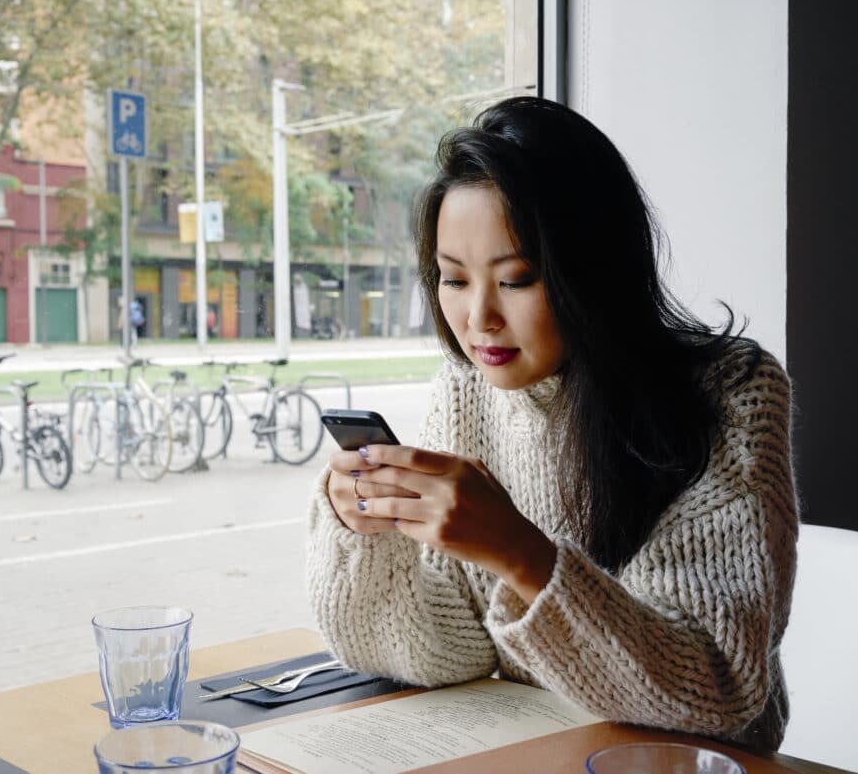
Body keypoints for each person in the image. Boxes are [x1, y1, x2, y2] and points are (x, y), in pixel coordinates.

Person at [306, 96, 798, 751]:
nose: (478, 317)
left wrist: (519, 551)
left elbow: (715, 685)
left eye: (516, 279)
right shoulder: (467, 391)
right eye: (453, 279)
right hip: (540, 753)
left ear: (591, 271)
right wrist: (365, 531)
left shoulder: (730, 392)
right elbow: (441, 653)